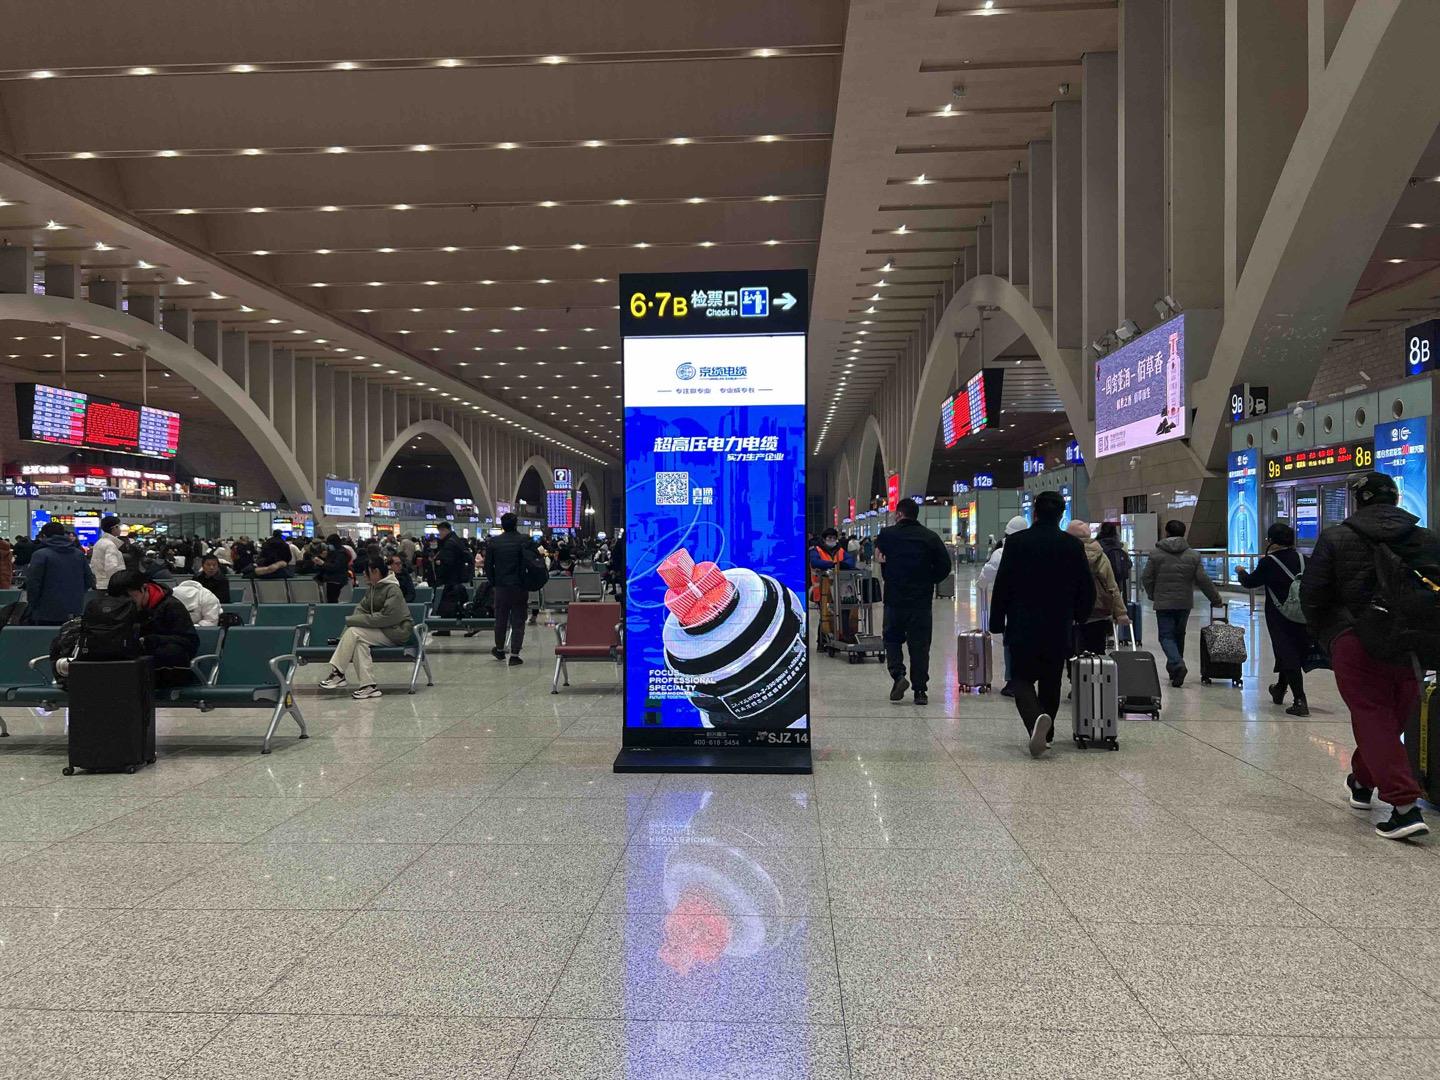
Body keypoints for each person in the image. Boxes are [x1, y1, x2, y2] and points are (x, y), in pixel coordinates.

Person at [1301, 471, 1437, 840]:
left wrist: (1330, 636)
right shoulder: (1425, 538)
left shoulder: (1336, 537)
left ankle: (1404, 808)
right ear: (1396, 499)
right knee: (1392, 718)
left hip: (1355, 638)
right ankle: (1362, 782)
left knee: (1373, 716)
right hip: (1412, 642)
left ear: (1358, 501)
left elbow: (1312, 595)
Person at [990, 490, 1094, 757]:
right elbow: (1086, 587)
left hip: (1022, 623)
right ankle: (1046, 735)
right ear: (1061, 515)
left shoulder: (1016, 543)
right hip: (1058, 624)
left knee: (1020, 678)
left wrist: (996, 621)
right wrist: (1080, 616)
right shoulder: (1072, 545)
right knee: (1051, 680)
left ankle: (1035, 721)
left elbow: (1002, 585)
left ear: (1034, 513)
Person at [873, 497, 951, 706]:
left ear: (899, 514)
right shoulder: (930, 537)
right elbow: (945, 566)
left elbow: (879, 555)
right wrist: (929, 580)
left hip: (895, 599)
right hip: (921, 601)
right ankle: (920, 691)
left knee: (892, 639)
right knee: (920, 645)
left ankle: (898, 675)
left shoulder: (887, 534)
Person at [1237, 522, 1315, 716]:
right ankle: (1279, 688)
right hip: (1303, 614)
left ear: (1271, 540)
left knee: (1287, 653)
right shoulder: (1304, 559)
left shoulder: (1269, 562)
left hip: (1279, 615)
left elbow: (1250, 582)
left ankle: (1300, 700)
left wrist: (1241, 572)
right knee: (1289, 650)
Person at [1141, 518, 1222, 687]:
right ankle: (1175, 670)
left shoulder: (1156, 554)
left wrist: (1153, 594)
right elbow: (1203, 580)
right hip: (1184, 602)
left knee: (1166, 636)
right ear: (1183, 534)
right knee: (1179, 635)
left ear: (1166, 533)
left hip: (1163, 602)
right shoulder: (1193, 555)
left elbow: (1146, 577)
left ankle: (1177, 665)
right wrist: (1215, 599)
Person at [316, 560, 413, 699]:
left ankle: (338, 673)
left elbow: (386, 618)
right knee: (359, 643)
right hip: (382, 631)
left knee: (355, 632)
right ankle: (369, 686)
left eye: (367, 570)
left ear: (376, 571)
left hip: (396, 633)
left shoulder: (393, 590)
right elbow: (361, 609)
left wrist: (352, 621)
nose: (363, 573)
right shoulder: (373, 588)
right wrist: (348, 629)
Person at [107, 569, 200, 686]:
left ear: (144, 588)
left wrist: (153, 640)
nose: (125, 603)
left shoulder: (171, 606)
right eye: (119, 600)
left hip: (162, 667)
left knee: (170, 652)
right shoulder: (117, 611)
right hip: (130, 665)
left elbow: (191, 642)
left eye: (130, 598)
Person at [980, 515, 1030, 697]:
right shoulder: (1034, 548)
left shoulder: (1001, 552)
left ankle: (1012, 681)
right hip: (1034, 606)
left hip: (1011, 607)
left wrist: (981, 584)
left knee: (1010, 643)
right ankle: (1028, 679)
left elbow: (987, 574)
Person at [1068, 520, 1130, 654]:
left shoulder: (1065, 554)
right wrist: (1121, 612)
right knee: (1097, 654)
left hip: (1072, 614)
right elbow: (1111, 586)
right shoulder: (1101, 556)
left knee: (1071, 654)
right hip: (1099, 612)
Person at [485, 511, 536, 665]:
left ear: (502, 525)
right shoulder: (524, 540)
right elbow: (533, 561)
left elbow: (488, 566)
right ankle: (514, 655)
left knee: (500, 619)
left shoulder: (494, 542)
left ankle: (500, 650)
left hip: (501, 586)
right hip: (520, 586)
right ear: (516, 524)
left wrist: (494, 582)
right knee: (518, 621)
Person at [24, 522, 95, 625]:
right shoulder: (79, 554)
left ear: (44, 536)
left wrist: (33, 604)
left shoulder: (40, 555)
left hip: (44, 610)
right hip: (74, 608)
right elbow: (89, 579)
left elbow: (33, 582)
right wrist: (78, 594)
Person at [810, 526, 856, 643]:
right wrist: (833, 564)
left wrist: (845, 564)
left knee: (843, 611)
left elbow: (850, 560)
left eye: (834, 538)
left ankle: (842, 635)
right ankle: (822, 641)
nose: (832, 540)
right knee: (826, 616)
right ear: (824, 538)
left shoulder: (840, 550)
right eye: (829, 537)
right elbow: (815, 562)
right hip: (822, 589)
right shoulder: (817, 550)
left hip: (840, 589)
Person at [1096, 522, 1131, 600]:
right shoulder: (1121, 545)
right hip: (1118, 579)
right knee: (1116, 599)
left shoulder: (1096, 545)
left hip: (1101, 580)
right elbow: (1128, 563)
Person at [89, 516, 126, 591]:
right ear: (114, 528)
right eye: (119, 526)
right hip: (110, 586)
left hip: (101, 584)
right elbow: (112, 567)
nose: (120, 529)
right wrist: (119, 583)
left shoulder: (99, 542)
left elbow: (93, 565)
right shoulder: (110, 545)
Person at [315, 534, 352, 603]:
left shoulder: (341, 553)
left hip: (336, 579)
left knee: (332, 600)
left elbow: (336, 567)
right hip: (332, 579)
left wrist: (322, 563)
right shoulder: (335, 551)